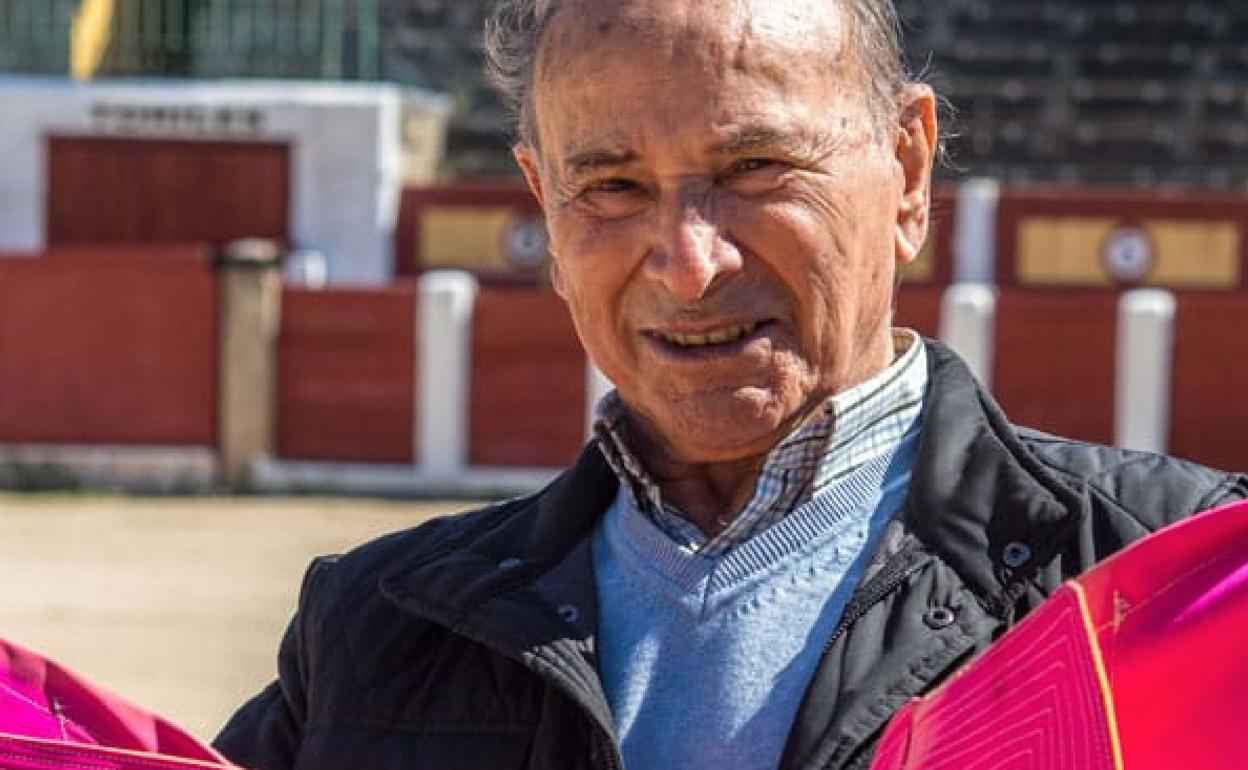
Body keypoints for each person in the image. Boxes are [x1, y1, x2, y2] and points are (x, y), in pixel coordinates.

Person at [214, 1, 1248, 769]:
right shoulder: (372, 627)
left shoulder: (1188, 576)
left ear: (909, 169)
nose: (688, 261)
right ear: (544, 203)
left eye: (756, 166)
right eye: (612, 186)